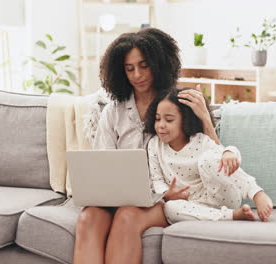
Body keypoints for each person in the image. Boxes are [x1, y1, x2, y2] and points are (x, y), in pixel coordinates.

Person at [73, 28, 219, 264]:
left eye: (144, 66)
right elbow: (102, 166)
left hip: (167, 198)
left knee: (127, 216)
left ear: (159, 64)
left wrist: (204, 118)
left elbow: (218, 159)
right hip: (117, 196)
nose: (137, 75)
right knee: (87, 218)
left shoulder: (179, 104)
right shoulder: (113, 111)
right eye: (129, 69)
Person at [144, 88, 274, 224]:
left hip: (223, 196)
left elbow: (223, 155)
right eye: (157, 119)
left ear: (185, 121)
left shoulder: (200, 140)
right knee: (170, 208)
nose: (160, 125)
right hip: (194, 206)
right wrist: (167, 194)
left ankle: (256, 193)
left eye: (169, 120)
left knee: (211, 158)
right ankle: (232, 216)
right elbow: (157, 179)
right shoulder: (154, 145)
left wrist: (229, 153)